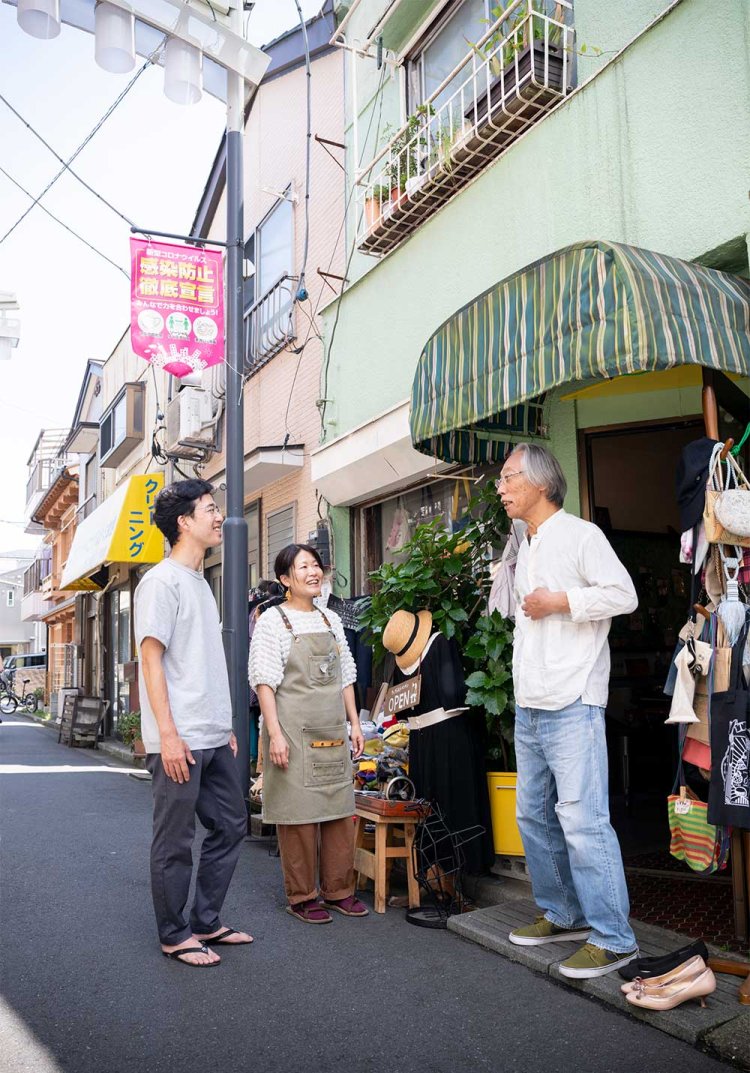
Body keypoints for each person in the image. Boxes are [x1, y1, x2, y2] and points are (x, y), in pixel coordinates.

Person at [498, 443, 640, 979]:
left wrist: (563, 602)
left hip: (574, 700)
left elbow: (623, 595)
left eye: (510, 477)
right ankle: (565, 914)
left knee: (584, 822)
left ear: (539, 482)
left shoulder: (582, 535)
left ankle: (614, 938)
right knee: (532, 815)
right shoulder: (526, 543)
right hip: (531, 703)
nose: (502, 487)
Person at [134, 479, 252, 967]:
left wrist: (222, 722)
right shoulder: (161, 582)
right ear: (184, 522)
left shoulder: (201, 582)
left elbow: (202, 662)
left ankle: (206, 920)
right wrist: (167, 734)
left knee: (231, 824)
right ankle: (174, 932)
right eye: (209, 508)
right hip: (177, 738)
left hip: (210, 734)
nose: (217, 516)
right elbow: (151, 659)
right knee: (175, 839)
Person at [249, 543, 368, 924]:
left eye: (316, 565)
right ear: (285, 580)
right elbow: (263, 682)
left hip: (332, 730)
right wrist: (275, 735)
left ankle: (339, 891)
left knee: (337, 812)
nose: (313, 572)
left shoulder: (330, 620)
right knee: (298, 817)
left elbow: (347, 675)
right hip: (293, 734)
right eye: (303, 567)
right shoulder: (273, 620)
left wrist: (355, 723)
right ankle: (302, 896)